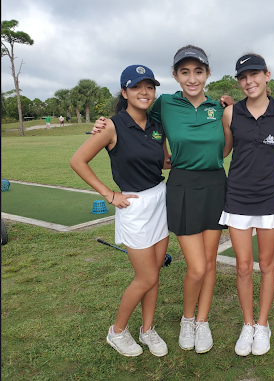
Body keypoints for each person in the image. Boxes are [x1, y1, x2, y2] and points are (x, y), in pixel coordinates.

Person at [94, 46, 232, 354]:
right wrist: (103, 125)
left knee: (210, 263)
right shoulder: (165, 103)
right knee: (196, 267)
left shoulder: (221, 107)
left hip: (214, 185)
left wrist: (231, 105)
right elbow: (132, 116)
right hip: (181, 186)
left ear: (208, 74)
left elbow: (225, 148)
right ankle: (186, 319)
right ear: (175, 75)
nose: (192, 78)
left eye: (199, 71)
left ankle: (202, 321)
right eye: (185, 72)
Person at [70, 64, 170, 357]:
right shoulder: (112, 125)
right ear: (125, 92)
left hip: (159, 200)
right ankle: (117, 331)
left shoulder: (156, 125)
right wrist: (109, 194)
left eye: (149, 87)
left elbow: (163, 162)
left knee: (155, 273)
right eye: (137, 87)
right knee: (146, 277)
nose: (144, 92)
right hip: (134, 207)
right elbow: (78, 161)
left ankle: (148, 329)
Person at [220, 54, 274, 356]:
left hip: (269, 199)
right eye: (243, 77)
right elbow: (223, 152)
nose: (249, 82)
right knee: (244, 266)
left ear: (267, 75)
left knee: (267, 263)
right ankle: (247, 324)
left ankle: (263, 325)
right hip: (237, 198)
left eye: (254, 75)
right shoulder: (230, 114)